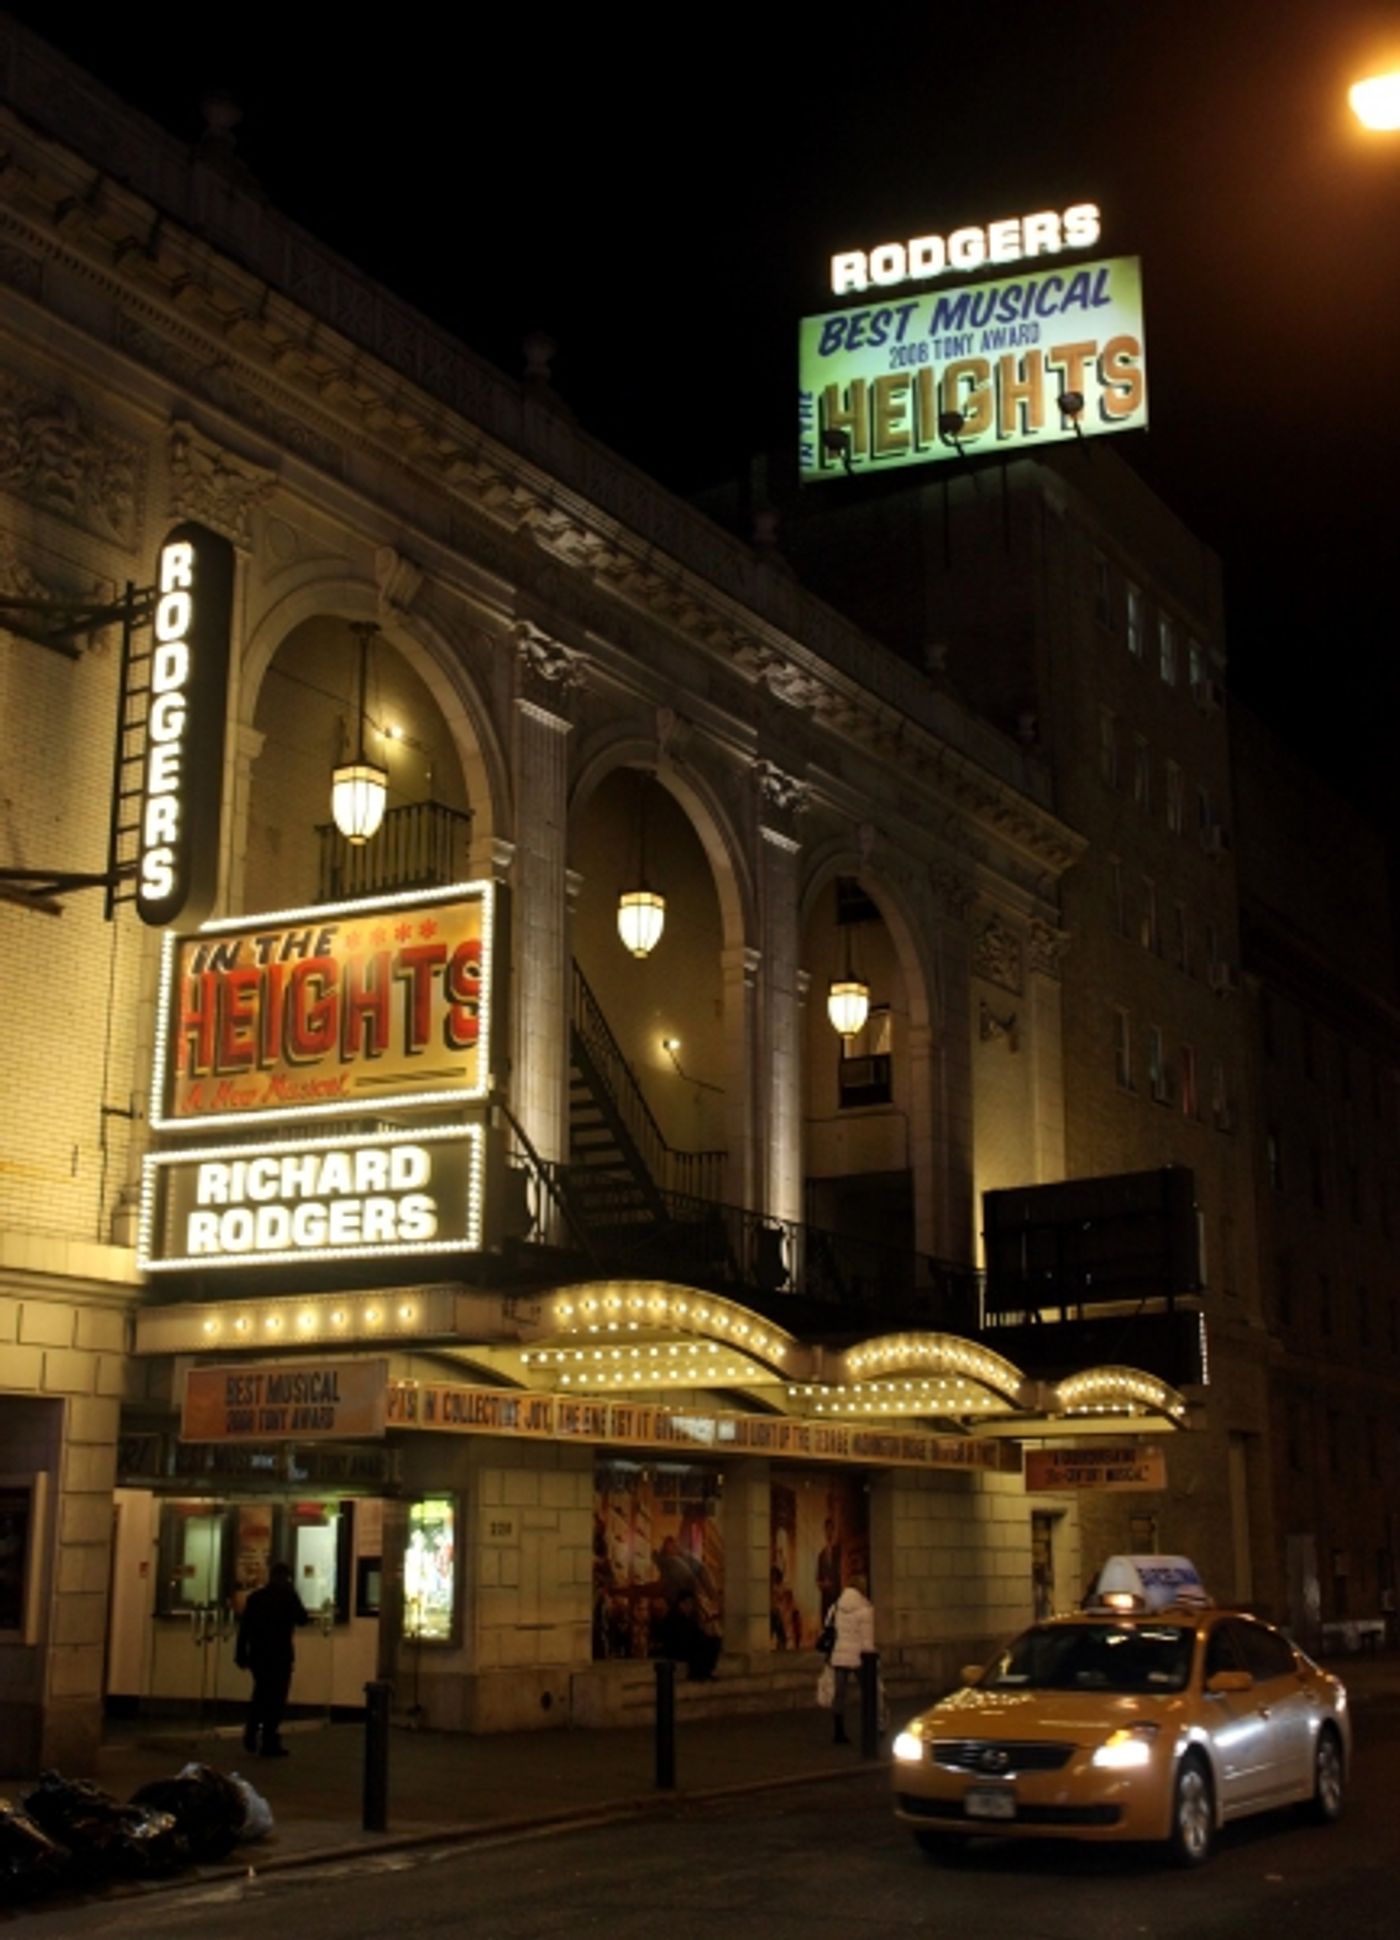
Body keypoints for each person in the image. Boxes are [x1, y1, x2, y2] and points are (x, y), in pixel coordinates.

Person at [235, 1559, 309, 1757]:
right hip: (281, 1655)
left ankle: (251, 1731)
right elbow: (303, 1619)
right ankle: (269, 1739)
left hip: (259, 1655)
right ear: (287, 1578)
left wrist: (241, 1653)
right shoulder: (288, 1597)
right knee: (276, 1699)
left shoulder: (256, 1598)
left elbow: (245, 1629)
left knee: (260, 1693)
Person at [825, 1572, 875, 1746]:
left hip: (839, 1654)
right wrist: (871, 1657)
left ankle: (838, 1732)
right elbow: (867, 1638)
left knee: (839, 1694)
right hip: (860, 1656)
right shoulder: (865, 1609)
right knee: (869, 1692)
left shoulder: (837, 1606)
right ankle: (871, 1729)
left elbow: (828, 1626)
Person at [815, 1517, 843, 1636]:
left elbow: (842, 1571)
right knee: (827, 1626)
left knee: (837, 1624)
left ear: (834, 1531)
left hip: (836, 1595)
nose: (829, 1533)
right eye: (827, 1530)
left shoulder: (839, 1551)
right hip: (825, 1597)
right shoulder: (821, 1555)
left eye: (831, 1530)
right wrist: (822, 1584)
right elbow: (817, 1578)